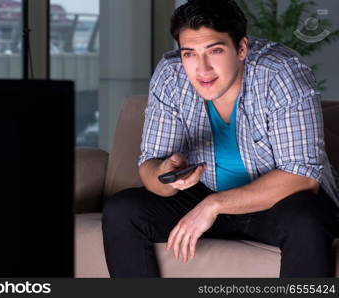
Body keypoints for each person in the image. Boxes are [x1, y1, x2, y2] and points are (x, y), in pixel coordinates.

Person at [102, 0, 339, 278]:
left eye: (214, 51)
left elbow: (302, 176)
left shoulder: (281, 72)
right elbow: (149, 166)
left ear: (241, 48)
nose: (202, 69)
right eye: (189, 53)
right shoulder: (170, 75)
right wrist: (166, 176)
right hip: (206, 191)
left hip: (279, 202)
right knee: (123, 210)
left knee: (306, 219)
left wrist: (214, 205)